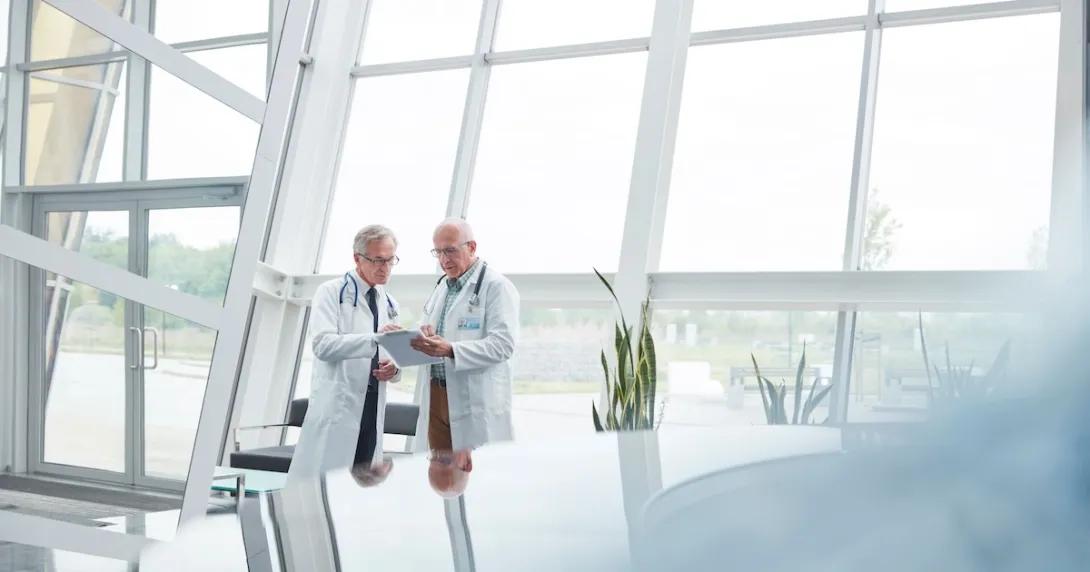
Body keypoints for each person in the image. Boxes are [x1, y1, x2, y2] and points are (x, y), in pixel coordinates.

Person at [287, 225, 403, 480]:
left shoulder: (389, 303)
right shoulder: (331, 292)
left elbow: (387, 352)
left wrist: (394, 369)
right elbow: (323, 345)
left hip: (373, 404)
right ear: (357, 258)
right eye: (378, 260)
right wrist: (375, 339)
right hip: (340, 404)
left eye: (390, 260)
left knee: (364, 484)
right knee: (325, 485)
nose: (385, 267)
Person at [410, 217, 520, 454]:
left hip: (473, 399)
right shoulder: (442, 286)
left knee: (476, 478)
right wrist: (419, 334)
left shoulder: (496, 286)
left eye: (450, 250)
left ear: (472, 247)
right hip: (436, 394)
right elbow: (428, 326)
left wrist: (451, 350)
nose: (444, 260)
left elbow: (503, 345)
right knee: (439, 474)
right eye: (438, 252)